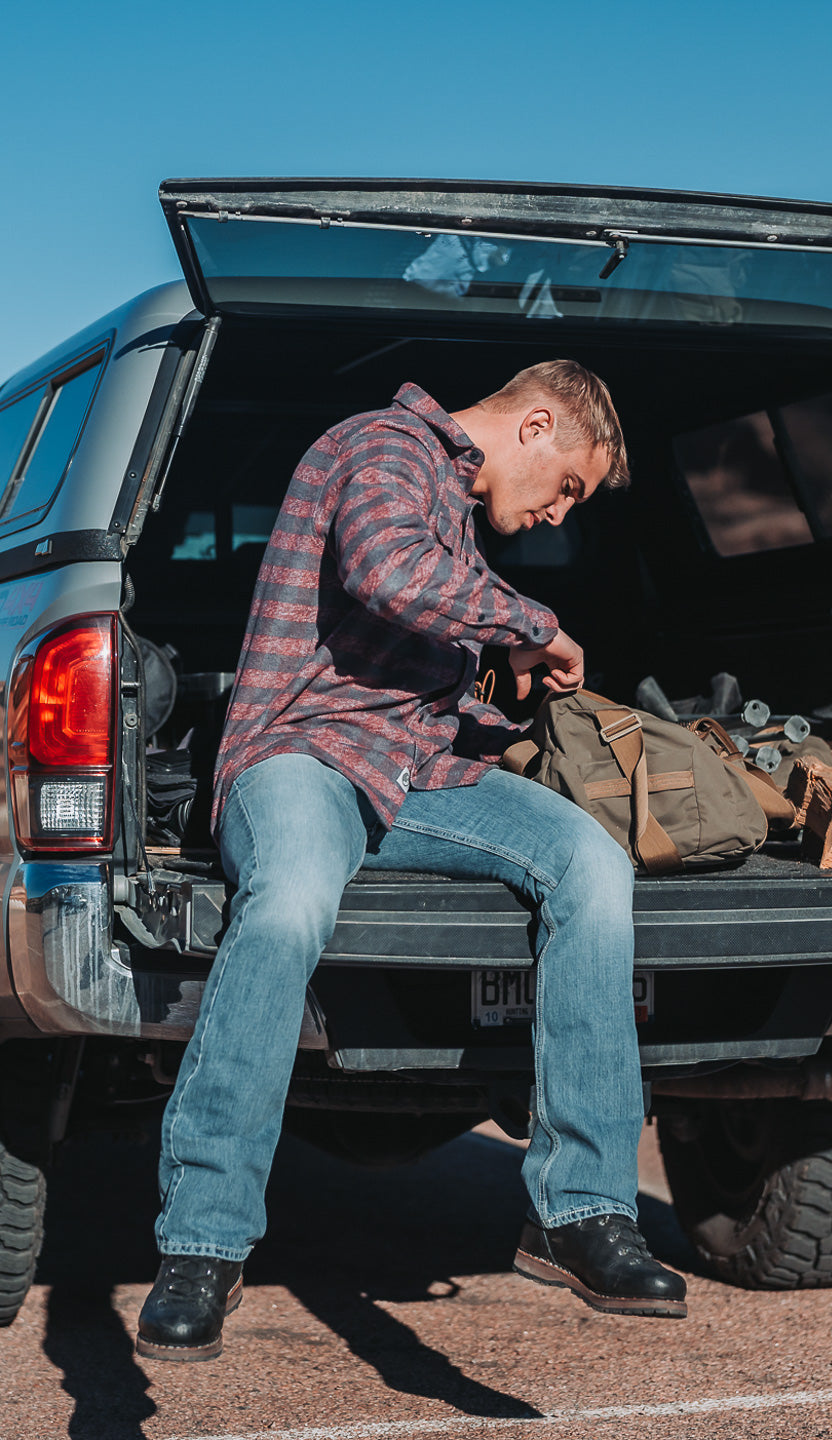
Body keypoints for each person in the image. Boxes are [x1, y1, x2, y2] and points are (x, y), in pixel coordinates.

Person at [136, 361, 687, 1361]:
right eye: (568, 485)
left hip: (417, 773)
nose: (563, 516)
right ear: (532, 424)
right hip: (304, 756)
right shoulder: (382, 449)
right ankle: (204, 1242)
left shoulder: (455, 507)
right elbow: (393, 577)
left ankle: (586, 1215)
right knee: (292, 899)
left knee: (592, 864)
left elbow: (415, 677)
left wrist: (497, 701)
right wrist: (537, 625)